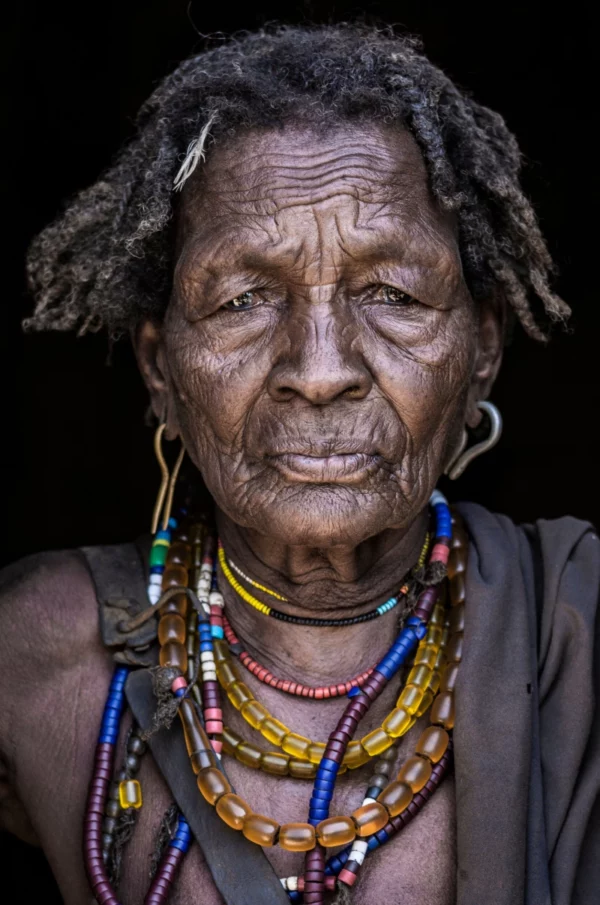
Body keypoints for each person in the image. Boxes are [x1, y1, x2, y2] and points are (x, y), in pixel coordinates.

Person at [1, 23, 598, 905]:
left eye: (392, 294)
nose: (320, 371)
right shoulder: (31, 657)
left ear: (481, 351)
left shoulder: (579, 635)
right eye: (244, 299)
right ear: (161, 369)